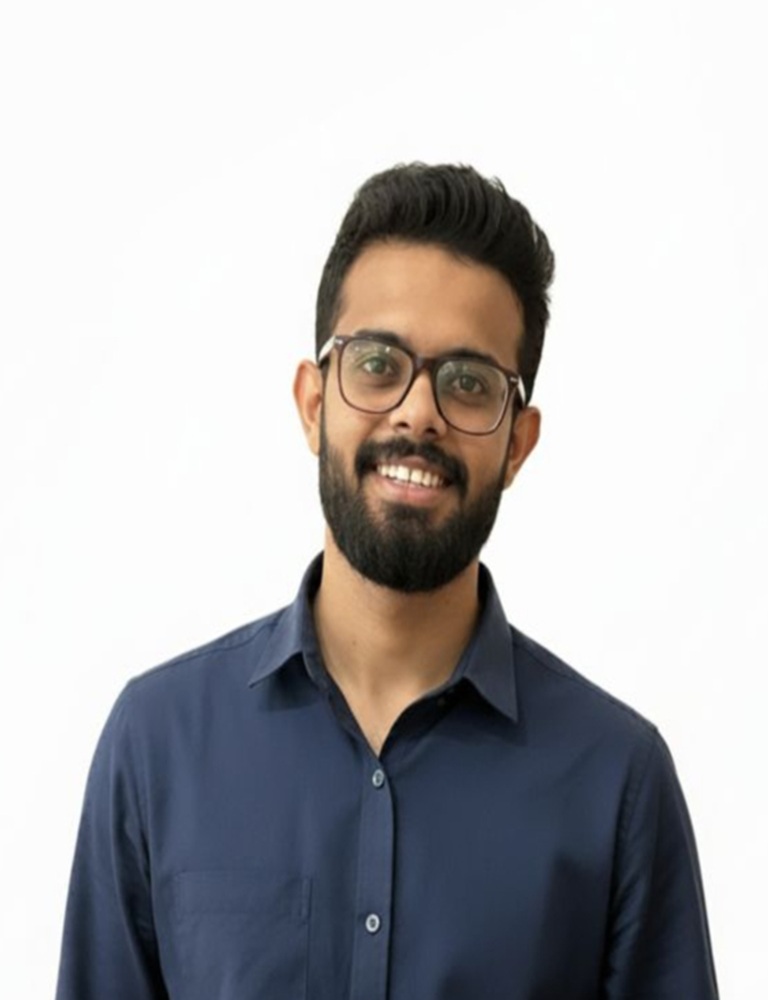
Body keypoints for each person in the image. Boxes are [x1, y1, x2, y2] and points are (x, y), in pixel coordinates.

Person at [55, 163, 719, 999]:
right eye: (377, 363)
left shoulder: (617, 780)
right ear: (313, 403)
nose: (417, 413)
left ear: (517, 444)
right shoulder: (158, 746)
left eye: (469, 383)